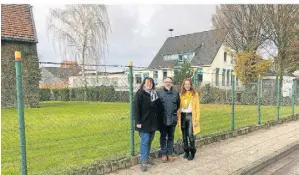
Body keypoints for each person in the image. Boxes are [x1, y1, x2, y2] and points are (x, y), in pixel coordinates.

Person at [134, 77, 162, 172]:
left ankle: (147, 157)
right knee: (145, 141)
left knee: (150, 140)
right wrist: (138, 122)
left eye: (150, 82)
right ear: (143, 84)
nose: (149, 84)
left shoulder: (154, 94)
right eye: (147, 82)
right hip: (143, 122)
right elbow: (136, 109)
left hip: (153, 122)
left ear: (153, 84)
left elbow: (158, 108)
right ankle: (143, 161)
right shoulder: (140, 93)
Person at [157, 77, 180, 163]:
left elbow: (178, 105)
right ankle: (163, 154)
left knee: (171, 137)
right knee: (163, 137)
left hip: (173, 119)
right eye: (166, 82)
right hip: (163, 119)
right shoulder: (159, 93)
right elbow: (157, 106)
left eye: (169, 82)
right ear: (163, 83)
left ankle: (169, 154)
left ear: (172, 83)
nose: (168, 83)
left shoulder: (176, 93)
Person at [177, 78, 200, 161]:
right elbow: (179, 107)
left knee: (190, 135)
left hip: (191, 117)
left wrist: (197, 119)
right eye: (185, 84)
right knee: (184, 136)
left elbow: (197, 108)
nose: (187, 85)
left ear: (191, 85)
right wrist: (177, 118)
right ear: (183, 85)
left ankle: (192, 151)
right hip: (182, 116)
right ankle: (186, 151)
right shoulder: (181, 94)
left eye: (188, 84)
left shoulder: (195, 94)